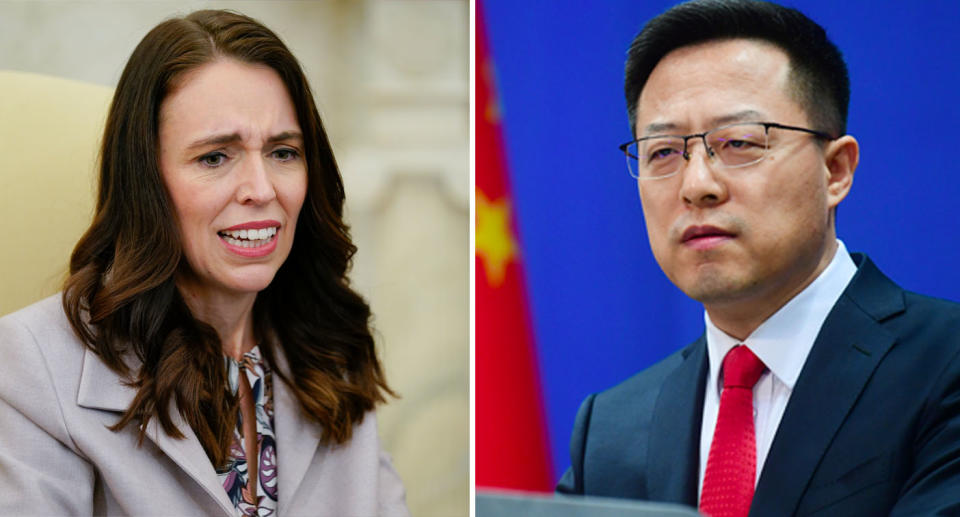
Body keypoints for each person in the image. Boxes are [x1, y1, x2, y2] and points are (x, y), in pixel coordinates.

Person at [556, 1, 960, 515]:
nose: (697, 185)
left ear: (835, 170)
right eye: (662, 152)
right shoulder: (610, 430)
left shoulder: (945, 367)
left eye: (739, 143)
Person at [0, 10, 409, 516]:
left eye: (283, 152)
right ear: (145, 180)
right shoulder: (29, 366)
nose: (262, 190)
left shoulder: (329, 349)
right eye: (215, 157)